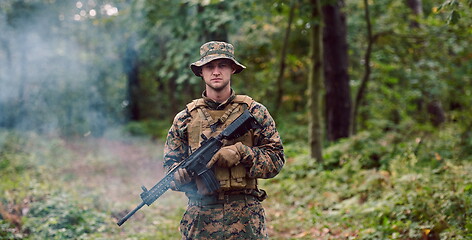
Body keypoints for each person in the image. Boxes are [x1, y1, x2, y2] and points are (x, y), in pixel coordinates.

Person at [163, 41, 285, 240]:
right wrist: (179, 177)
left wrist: (242, 152)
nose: (216, 72)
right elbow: (170, 167)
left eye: (222, 65)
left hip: (246, 219)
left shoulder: (254, 112)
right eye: (210, 66)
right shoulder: (184, 119)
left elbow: (276, 160)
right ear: (201, 72)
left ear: (233, 69)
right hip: (200, 219)